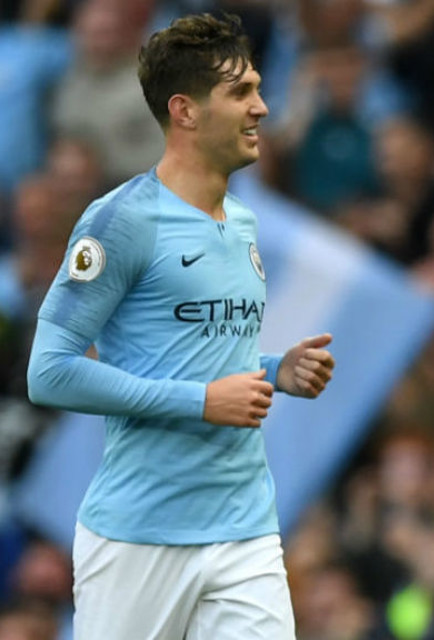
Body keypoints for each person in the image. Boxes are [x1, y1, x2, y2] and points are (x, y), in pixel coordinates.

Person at [25, 14, 336, 640]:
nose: (263, 107)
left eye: (258, 88)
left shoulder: (243, 224)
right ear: (185, 111)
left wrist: (276, 369)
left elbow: (197, 352)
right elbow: (49, 371)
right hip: (140, 536)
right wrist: (200, 402)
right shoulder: (121, 221)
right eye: (241, 93)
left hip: (244, 526)